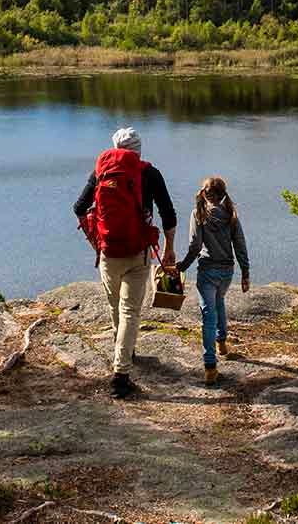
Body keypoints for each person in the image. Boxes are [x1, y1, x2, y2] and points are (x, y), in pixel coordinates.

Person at [73, 127, 177, 399]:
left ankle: (124, 351)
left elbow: (78, 207)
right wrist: (169, 249)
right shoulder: (150, 173)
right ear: (139, 150)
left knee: (115, 307)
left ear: (115, 148)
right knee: (131, 311)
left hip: (108, 252)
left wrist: (95, 241)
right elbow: (168, 213)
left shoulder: (101, 171)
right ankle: (121, 373)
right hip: (138, 252)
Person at [176, 176, 250, 386]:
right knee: (219, 302)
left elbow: (195, 246)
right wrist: (245, 273)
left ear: (204, 193)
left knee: (208, 314)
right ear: (222, 194)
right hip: (227, 272)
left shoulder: (197, 214)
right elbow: (240, 245)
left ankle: (210, 366)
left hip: (207, 271)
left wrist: (182, 266)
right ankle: (222, 342)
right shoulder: (230, 214)